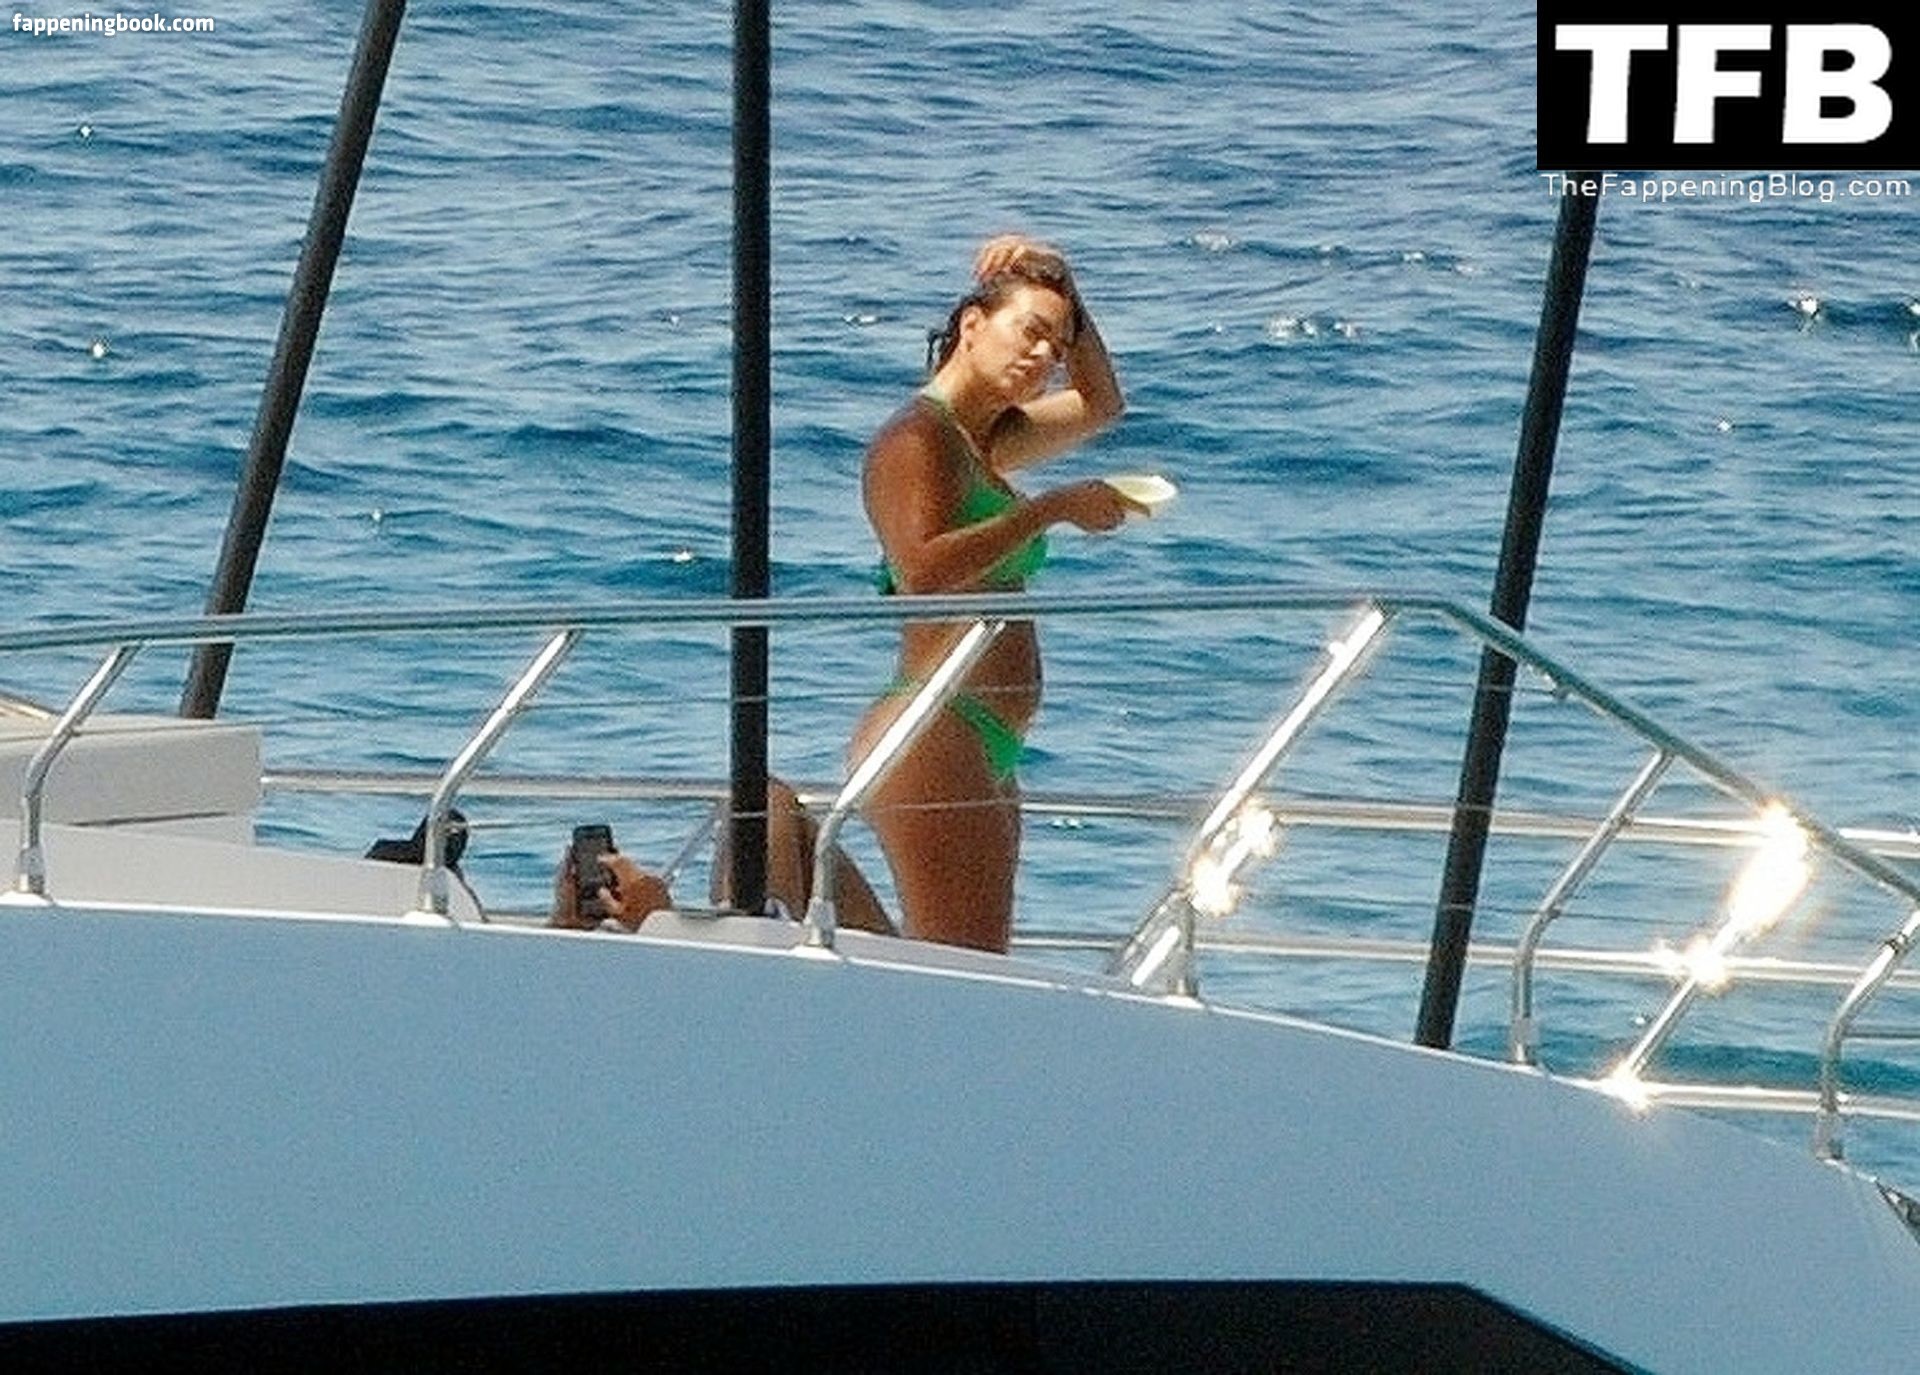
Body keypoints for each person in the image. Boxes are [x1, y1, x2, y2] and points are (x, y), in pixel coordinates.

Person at [849, 234, 1137, 952]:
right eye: (1030, 332)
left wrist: (1067, 285)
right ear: (972, 326)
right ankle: (788, 862)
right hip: (934, 720)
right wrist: (1051, 510)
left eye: (1056, 347)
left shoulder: (983, 441)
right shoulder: (916, 439)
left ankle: (794, 872)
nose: (1043, 356)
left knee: (961, 962)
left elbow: (1102, 404)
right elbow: (921, 571)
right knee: (964, 966)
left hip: (980, 733)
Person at [549, 778, 894, 936]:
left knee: (765, 800)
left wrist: (566, 927)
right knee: (764, 799)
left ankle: (751, 919)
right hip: (751, 980)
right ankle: (750, 921)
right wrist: (656, 922)